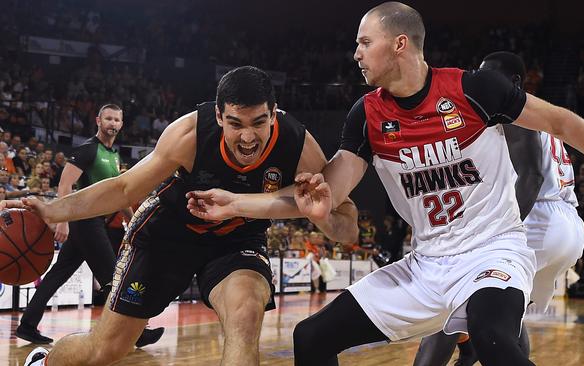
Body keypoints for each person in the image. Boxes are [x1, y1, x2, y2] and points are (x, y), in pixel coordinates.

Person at [185, 3, 584, 366]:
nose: (356, 53)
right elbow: (321, 193)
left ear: (399, 44)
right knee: (310, 337)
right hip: (426, 264)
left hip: (494, 251)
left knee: (492, 339)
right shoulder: (366, 115)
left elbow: (562, 122)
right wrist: (235, 204)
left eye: (365, 42)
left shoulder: (474, 89)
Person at [12, 66, 358, 366]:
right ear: (219, 115)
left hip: (237, 241)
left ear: (274, 113)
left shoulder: (297, 145)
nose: (248, 137)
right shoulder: (190, 133)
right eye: (235, 123)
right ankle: (45, 361)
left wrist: (323, 217)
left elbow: (347, 224)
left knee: (246, 312)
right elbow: (123, 189)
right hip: (167, 234)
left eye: (259, 122)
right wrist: (52, 208)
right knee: (107, 349)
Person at [413, 51, 584, 366]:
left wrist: (496, 234)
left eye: (490, 74)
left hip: (538, 219)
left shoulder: (511, 109)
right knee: (503, 315)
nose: (483, 82)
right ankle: (469, 359)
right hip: (566, 225)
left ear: (515, 81)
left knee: (451, 298)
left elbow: (531, 176)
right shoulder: (537, 111)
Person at [15, 104, 164, 348]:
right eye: (108, 118)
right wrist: (63, 220)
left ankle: (27, 326)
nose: (112, 123)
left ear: (121, 124)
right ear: (98, 120)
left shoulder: (113, 155)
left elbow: (119, 196)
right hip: (85, 221)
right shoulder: (87, 150)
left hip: (95, 222)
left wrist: (135, 218)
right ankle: (136, 333)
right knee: (114, 279)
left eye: (117, 120)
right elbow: (64, 186)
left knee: (57, 275)